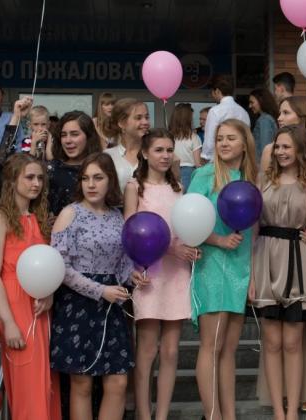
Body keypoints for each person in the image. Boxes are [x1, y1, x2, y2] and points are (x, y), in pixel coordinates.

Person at [50, 152, 141, 420]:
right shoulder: (70, 213)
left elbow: (122, 262)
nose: (91, 184)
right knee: (82, 382)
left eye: (98, 178)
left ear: (110, 180)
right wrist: (100, 290)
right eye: (86, 178)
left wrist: (133, 276)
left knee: (118, 382)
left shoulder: (117, 217)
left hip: (112, 305)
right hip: (77, 303)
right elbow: (60, 266)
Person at [249, 124, 306, 420]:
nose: (281, 152)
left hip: (297, 262)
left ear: (300, 149)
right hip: (265, 261)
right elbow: (253, 232)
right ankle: (278, 412)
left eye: (287, 146)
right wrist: (251, 275)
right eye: (278, 146)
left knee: (293, 343)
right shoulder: (262, 180)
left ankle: (293, 411)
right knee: (272, 343)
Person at [124, 128, 199, 419]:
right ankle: (144, 414)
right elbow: (130, 233)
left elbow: (184, 226)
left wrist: (190, 247)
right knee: (147, 350)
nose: (166, 155)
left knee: (170, 351)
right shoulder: (135, 187)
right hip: (149, 273)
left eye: (169, 150)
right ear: (144, 153)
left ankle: (163, 414)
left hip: (177, 273)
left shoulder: (178, 187)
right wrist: (171, 249)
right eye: (159, 150)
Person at [188, 118, 257, 420]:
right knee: (211, 345)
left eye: (231, 138)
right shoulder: (204, 175)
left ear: (245, 144)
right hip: (212, 264)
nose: (224, 143)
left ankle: (229, 415)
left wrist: (253, 273)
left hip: (241, 267)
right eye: (219, 139)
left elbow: (255, 231)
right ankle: (212, 415)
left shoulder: (251, 179)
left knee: (229, 348)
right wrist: (218, 240)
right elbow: (188, 221)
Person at [0, 154, 61, 420]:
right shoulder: (2, 218)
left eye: (39, 178)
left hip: (40, 307)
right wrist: (8, 322)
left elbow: (48, 268)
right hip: (13, 306)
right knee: (27, 381)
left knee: (45, 382)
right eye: (29, 177)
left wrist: (49, 294)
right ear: (12, 180)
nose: (36, 183)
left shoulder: (39, 219)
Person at [48, 111, 102, 217]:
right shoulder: (50, 169)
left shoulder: (101, 168)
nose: (68, 140)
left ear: (88, 136)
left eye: (74, 134)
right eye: (63, 135)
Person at [260, 96, 306, 175]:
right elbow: (263, 181)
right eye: (280, 113)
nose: (279, 118)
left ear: (302, 116)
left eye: (286, 113)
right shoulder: (270, 150)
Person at [200, 75, 250, 163]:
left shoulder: (215, 111)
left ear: (217, 91)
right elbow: (247, 137)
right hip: (239, 160)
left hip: (219, 160)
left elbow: (210, 140)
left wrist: (205, 157)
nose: (212, 95)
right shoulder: (243, 112)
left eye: (212, 92)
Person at [105, 98, 150, 193]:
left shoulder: (154, 153)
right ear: (122, 123)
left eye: (147, 117)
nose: (145, 122)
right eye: (138, 118)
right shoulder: (108, 156)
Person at [169, 103, 202, 190]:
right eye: (191, 118)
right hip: (189, 172)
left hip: (170, 171)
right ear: (187, 120)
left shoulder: (168, 137)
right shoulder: (194, 137)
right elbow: (197, 163)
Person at [248, 88, 278, 162]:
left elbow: (265, 148)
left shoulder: (265, 120)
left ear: (261, 101)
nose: (250, 106)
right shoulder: (267, 118)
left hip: (261, 164)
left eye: (252, 102)